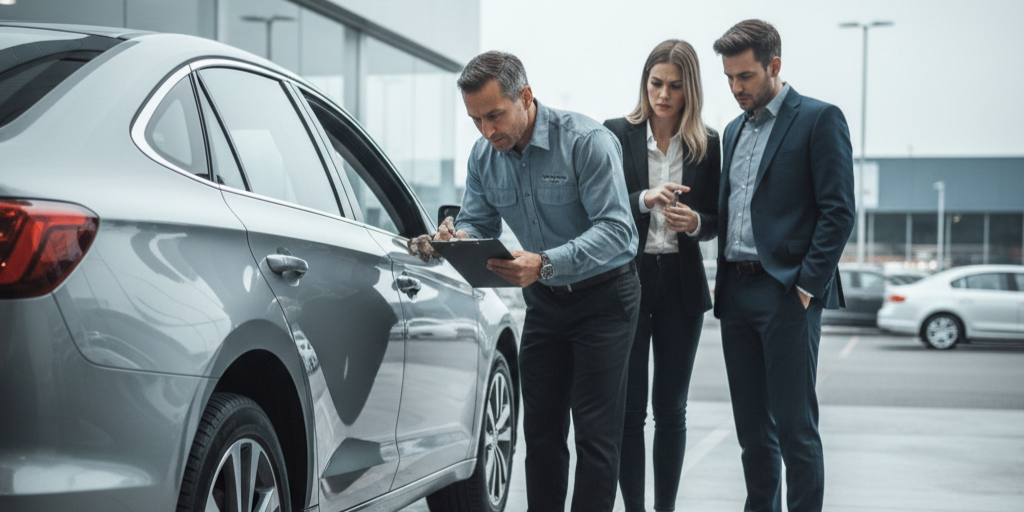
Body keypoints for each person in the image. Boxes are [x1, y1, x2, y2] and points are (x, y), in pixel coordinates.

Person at [434, 51, 641, 512]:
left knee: (594, 435)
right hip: (545, 304)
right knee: (541, 434)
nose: (487, 131)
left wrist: (544, 263)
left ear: (525, 97)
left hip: (606, 300)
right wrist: (457, 236)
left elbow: (619, 232)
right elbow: (477, 221)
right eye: (475, 120)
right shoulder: (484, 156)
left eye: (494, 115)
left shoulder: (587, 142)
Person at [711, 20, 855, 512]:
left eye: (746, 76)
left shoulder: (818, 119)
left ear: (775, 65)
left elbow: (838, 211)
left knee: (795, 428)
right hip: (736, 293)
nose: (736, 88)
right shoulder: (732, 130)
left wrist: (806, 286)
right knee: (753, 431)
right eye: (729, 77)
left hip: (787, 293)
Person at [603, 39, 720, 512]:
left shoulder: (710, 144)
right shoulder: (614, 135)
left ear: (689, 88)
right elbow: (601, 207)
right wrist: (642, 199)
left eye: (674, 85)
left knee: (671, 410)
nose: (663, 94)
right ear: (644, 83)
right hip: (625, 282)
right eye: (656, 83)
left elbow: (718, 217)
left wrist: (696, 223)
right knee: (630, 413)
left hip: (680, 283)